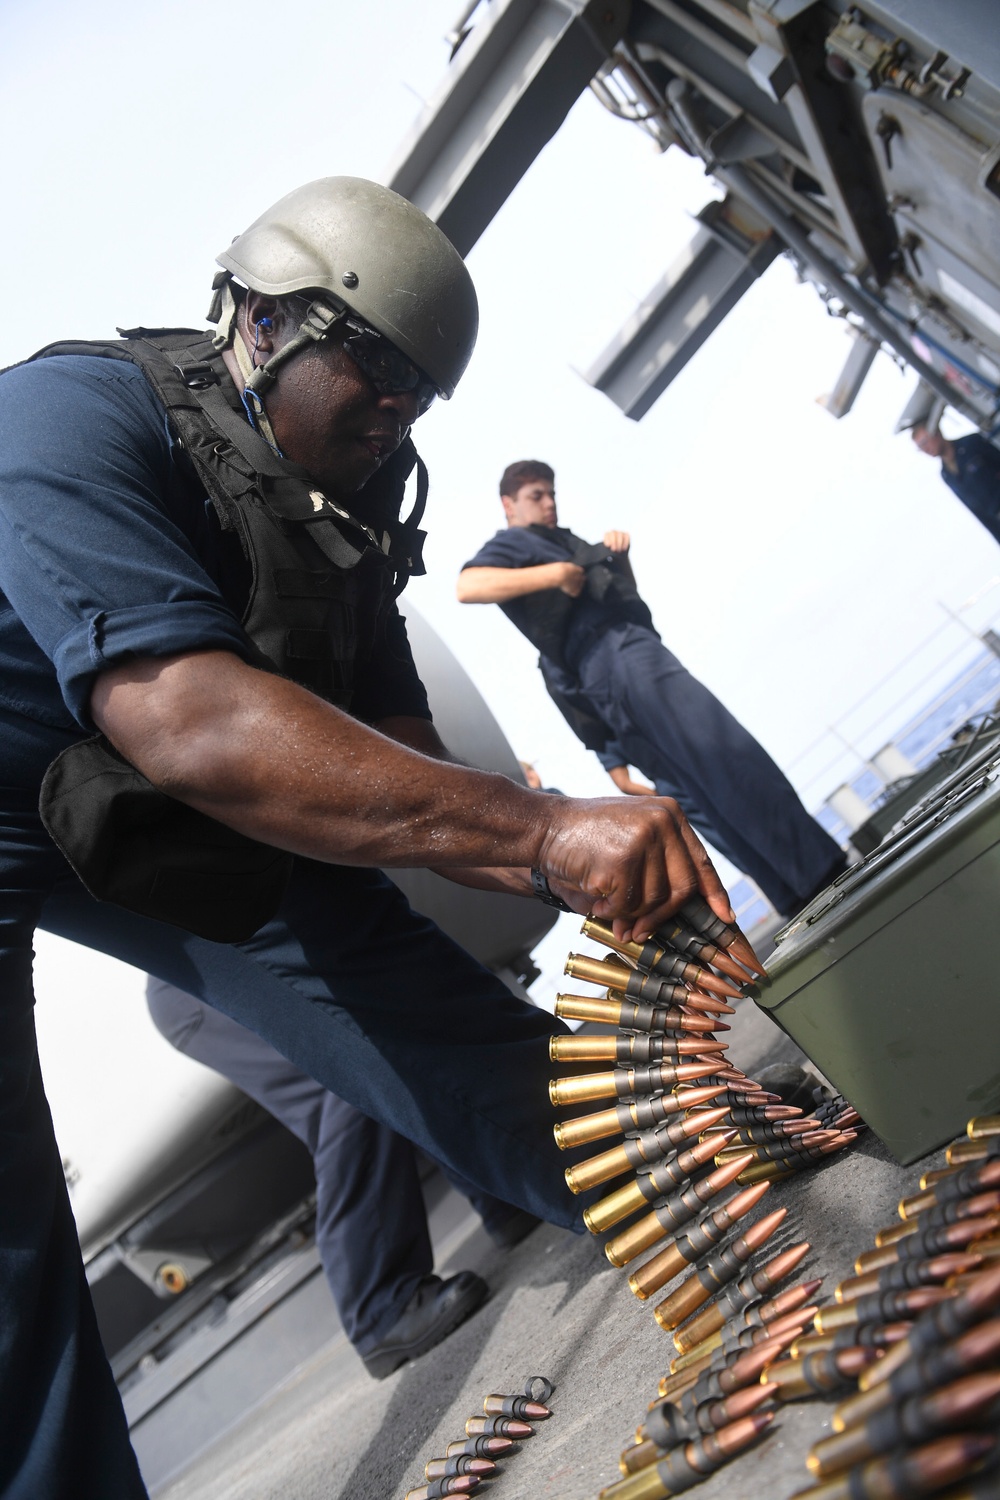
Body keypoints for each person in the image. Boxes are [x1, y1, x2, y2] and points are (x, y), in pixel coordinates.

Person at [0, 178, 728, 1498]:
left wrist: (543, 848)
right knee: (7, 1266)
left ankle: (673, 1175)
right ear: (269, 322)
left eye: (420, 398)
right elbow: (194, 722)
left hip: (102, 791)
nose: (397, 416)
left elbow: (407, 777)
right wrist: (554, 830)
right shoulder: (62, 418)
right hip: (133, 746)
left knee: (386, 978)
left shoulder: (337, 510)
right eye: (378, 371)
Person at [458, 460, 847, 916]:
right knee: (719, 748)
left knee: (692, 792)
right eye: (536, 496)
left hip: (613, 669)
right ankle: (821, 873)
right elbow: (468, 585)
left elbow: (620, 599)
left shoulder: (563, 540)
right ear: (509, 505)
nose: (549, 503)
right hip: (618, 659)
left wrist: (619, 560)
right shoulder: (512, 544)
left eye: (552, 493)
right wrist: (554, 575)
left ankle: (795, 893)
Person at [145, 977, 538, 1378]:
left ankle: (501, 1190)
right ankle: (381, 1306)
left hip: (222, 956)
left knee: (378, 1034)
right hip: (195, 977)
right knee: (337, 1070)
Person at [911, 424, 1000, 545]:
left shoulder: (971, 443)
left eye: (925, 442)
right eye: (920, 447)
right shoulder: (946, 475)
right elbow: (976, 510)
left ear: (936, 433)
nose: (925, 449)